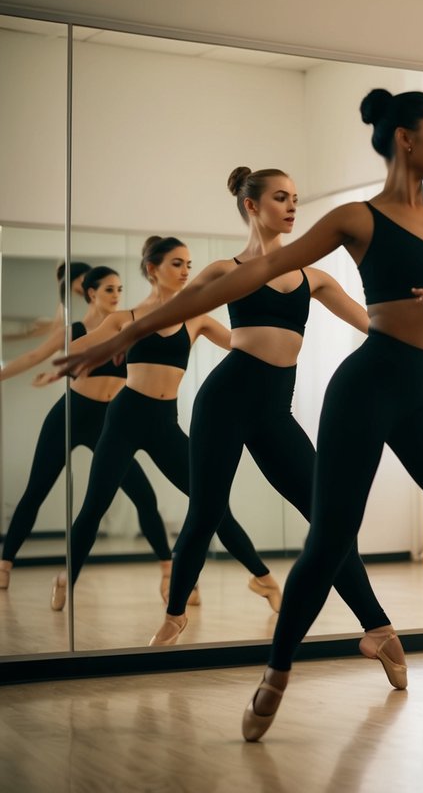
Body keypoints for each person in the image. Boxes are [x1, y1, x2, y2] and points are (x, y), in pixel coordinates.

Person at [58, 90, 423, 747]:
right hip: (359, 390)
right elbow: (247, 275)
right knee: (321, 533)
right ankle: (276, 669)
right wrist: (128, 333)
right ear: (405, 139)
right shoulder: (356, 219)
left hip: (415, 395)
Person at [150, 166, 406, 696]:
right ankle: (174, 616)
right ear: (252, 205)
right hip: (223, 401)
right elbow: (167, 315)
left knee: (328, 519)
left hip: (273, 411)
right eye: (280, 198)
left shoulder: (313, 277)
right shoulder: (226, 270)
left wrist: (422, 324)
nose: (292, 207)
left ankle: (378, 629)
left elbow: (374, 326)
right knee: (206, 512)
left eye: (295, 198)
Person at [49, 237, 272, 611]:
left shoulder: (196, 318)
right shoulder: (125, 319)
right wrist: (86, 345)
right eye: (176, 264)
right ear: (152, 269)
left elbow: (242, 343)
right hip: (124, 419)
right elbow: (82, 347)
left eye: (188, 264)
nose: (186, 271)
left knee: (211, 504)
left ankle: (262, 577)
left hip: (165, 423)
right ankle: (64, 578)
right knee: (94, 506)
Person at [0, 267, 162, 589]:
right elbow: (34, 355)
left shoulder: (126, 329)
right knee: (36, 491)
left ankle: (169, 569)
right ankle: (5, 565)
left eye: (120, 289)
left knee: (144, 495)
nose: (117, 295)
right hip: (70, 415)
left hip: (109, 422)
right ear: (91, 294)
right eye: (109, 289)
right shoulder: (73, 331)